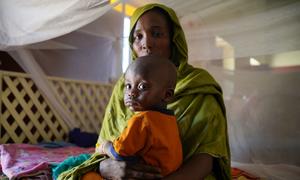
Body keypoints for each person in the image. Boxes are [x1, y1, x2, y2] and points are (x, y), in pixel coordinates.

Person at [58, 3, 231, 180]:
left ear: (173, 39)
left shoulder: (198, 86)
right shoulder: (123, 86)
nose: (146, 43)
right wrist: (105, 168)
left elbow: (207, 156)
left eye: (156, 34)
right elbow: (104, 143)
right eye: (138, 37)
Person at [96, 55, 182, 177]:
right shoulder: (170, 120)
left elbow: (119, 153)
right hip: (168, 174)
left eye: (142, 87)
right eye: (128, 86)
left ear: (167, 95)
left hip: (143, 174)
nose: (131, 93)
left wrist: (105, 146)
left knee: (88, 176)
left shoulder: (142, 120)